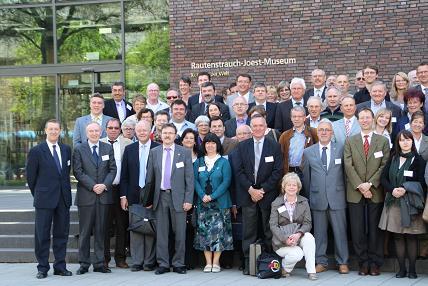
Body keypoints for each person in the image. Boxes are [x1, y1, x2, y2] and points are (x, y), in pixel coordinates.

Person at [233, 116, 283, 275]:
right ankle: (249, 263)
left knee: (269, 231)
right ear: (250, 128)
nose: (258, 128)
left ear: (266, 126)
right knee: (249, 232)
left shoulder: (274, 146)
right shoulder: (242, 146)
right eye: (255, 126)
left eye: (261, 125)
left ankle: (270, 263)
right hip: (248, 196)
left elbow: (277, 171)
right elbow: (238, 171)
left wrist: (262, 190)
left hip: (267, 196)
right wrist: (250, 189)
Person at [344, 107, 390, 276]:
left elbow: (385, 165)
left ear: (373, 119)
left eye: (367, 117)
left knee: (374, 230)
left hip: (375, 191)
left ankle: (375, 263)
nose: (364, 120)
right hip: (355, 192)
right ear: (358, 120)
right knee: (357, 230)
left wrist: (370, 185)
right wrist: (361, 186)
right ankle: (363, 263)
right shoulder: (350, 141)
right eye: (361, 118)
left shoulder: (382, 141)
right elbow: (348, 165)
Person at [143, 123, 194, 275]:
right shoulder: (154, 152)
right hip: (160, 197)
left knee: (180, 233)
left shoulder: (184, 152)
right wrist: (148, 200)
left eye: (170, 133)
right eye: (165, 133)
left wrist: (188, 200)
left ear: (175, 135)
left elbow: (189, 179)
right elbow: (149, 178)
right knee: (162, 233)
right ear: (160, 134)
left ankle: (179, 263)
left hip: (178, 198)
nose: (167, 135)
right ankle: (163, 264)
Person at [26, 119, 73, 279]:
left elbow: (65, 174)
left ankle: (60, 266)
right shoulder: (37, 151)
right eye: (51, 129)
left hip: (63, 198)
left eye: (56, 129)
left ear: (60, 131)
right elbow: (31, 177)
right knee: (42, 234)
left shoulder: (66, 149)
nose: (54, 132)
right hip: (44, 198)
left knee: (62, 233)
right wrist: (39, 193)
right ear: (46, 131)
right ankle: (42, 267)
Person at [302, 119, 349, 274]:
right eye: (321, 129)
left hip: (337, 197)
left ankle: (342, 262)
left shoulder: (341, 149)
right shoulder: (308, 152)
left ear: (332, 132)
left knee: (340, 232)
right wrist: (311, 196)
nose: (323, 132)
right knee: (319, 234)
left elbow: (346, 174)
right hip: (318, 198)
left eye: (327, 130)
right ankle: (321, 261)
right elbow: (307, 178)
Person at [379, 130, 426, 279]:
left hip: (410, 203)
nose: (405, 142)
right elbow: (383, 178)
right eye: (402, 140)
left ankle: (412, 270)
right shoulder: (393, 158)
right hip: (393, 202)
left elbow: (422, 183)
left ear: (412, 142)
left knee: (411, 237)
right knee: (398, 237)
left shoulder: (419, 160)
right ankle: (401, 270)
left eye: (408, 140)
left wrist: (405, 188)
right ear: (398, 143)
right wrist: (392, 189)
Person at [73, 122, 117, 275]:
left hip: (104, 196)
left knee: (101, 231)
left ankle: (99, 263)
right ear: (86, 133)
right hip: (86, 196)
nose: (93, 133)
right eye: (91, 131)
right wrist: (93, 186)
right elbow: (78, 172)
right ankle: (84, 263)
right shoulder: (79, 149)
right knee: (85, 232)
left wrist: (104, 185)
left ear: (101, 132)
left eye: (96, 130)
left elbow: (113, 169)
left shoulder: (107, 148)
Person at [120, 120, 159, 272]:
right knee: (136, 228)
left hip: (152, 195)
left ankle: (149, 261)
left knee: (149, 227)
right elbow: (124, 175)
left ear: (150, 131)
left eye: (145, 130)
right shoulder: (129, 149)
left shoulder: (157, 148)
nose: (142, 132)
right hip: (133, 194)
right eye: (139, 130)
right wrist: (123, 196)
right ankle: (137, 261)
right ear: (135, 132)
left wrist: (154, 196)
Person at [193, 133, 233, 273]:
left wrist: (212, 196)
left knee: (219, 233)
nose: (210, 145)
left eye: (213, 143)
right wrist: (203, 195)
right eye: (207, 143)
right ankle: (207, 262)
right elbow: (195, 181)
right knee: (204, 232)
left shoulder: (224, 162)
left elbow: (226, 181)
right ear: (204, 145)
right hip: (203, 203)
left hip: (220, 203)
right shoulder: (198, 162)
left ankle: (216, 262)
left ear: (217, 145)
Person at [269, 173, 317, 280]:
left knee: (309, 238)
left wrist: (298, 234)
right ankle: (285, 268)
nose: (291, 187)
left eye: (294, 185)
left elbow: (307, 223)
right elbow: (273, 225)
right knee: (298, 254)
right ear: (284, 187)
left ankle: (311, 271)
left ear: (298, 187)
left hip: (298, 237)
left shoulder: (304, 202)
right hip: (281, 242)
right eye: (289, 185)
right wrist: (285, 239)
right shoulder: (276, 203)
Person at [100, 119, 132, 269]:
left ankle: (120, 258)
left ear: (120, 129)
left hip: (121, 189)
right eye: (110, 127)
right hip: (104, 190)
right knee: (104, 225)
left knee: (121, 225)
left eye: (116, 128)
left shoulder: (127, 143)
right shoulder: (99, 142)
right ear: (105, 129)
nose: (113, 130)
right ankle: (104, 258)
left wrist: (125, 194)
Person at [278, 106, 318, 182]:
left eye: (299, 116)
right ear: (291, 118)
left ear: (304, 118)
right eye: (294, 116)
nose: (296, 119)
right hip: (289, 172)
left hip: (307, 172)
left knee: (306, 193)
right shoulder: (285, 135)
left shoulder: (313, 133)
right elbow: (280, 156)